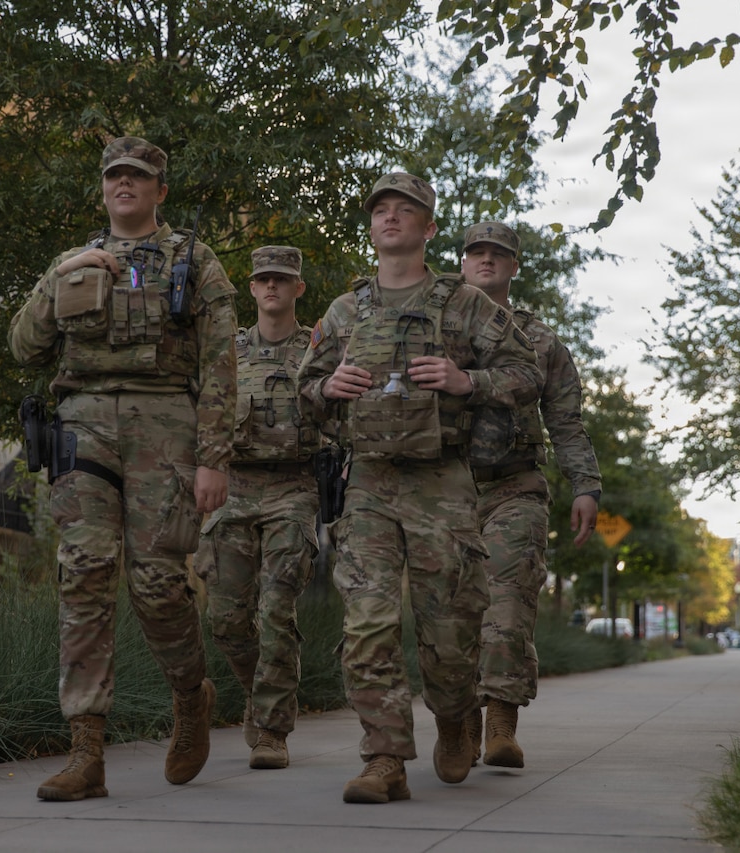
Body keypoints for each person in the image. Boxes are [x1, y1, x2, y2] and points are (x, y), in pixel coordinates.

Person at [297, 173, 543, 804]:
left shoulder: (465, 304)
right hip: (370, 482)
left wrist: (468, 382)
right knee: (368, 622)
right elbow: (301, 393)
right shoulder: (346, 311)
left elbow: (525, 372)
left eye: (404, 210)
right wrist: (327, 390)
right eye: (380, 209)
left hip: (444, 483)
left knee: (452, 633)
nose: (390, 218)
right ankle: (384, 758)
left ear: (429, 228)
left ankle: (457, 715)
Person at [8, 136, 237, 801]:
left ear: (160, 189)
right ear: (103, 187)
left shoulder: (196, 261)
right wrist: (62, 275)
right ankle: (86, 752)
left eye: (139, 175)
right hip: (81, 426)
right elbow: (24, 345)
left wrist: (212, 456)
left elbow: (221, 364)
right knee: (82, 572)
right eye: (115, 175)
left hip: (165, 426)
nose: (125, 183)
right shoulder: (71, 263)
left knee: (158, 582)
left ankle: (191, 696)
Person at [459, 221, 602, 769]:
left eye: (499, 254)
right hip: (443, 487)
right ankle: (461, 722)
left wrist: (585, 486)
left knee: (509, 604)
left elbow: (566, 422)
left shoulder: (542, 342)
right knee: (450, 612)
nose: (487, 261)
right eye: (477, 253)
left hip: (516, 485)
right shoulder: (433, 325)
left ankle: (500, 721)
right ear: (463, 261)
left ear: (515, 267)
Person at [195, 246, 320, 771]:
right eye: (263, 279)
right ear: (251, 288)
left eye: (282, 279)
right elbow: (203, 411)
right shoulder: (228, 349)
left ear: (297, 289)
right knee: (224, 619)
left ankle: (272, 730)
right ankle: (259, 691)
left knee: (275, 610)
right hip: (236, 486)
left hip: (294, 488)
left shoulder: (319, 347)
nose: (272, 287)